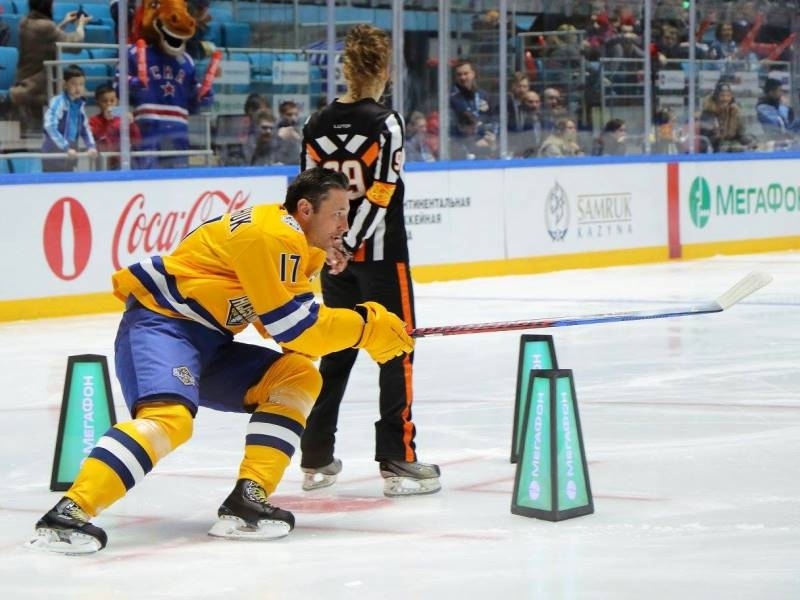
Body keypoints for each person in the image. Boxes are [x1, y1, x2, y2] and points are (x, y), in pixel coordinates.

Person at [28, 167, 415, 554]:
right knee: (169, 420)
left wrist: (353, 332)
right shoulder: (274, 235)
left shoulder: (295, 242)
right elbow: (295, 326)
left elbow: (289, 333)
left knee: (297, 376)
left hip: (210, 341)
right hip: (162, 327)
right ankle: (69, 513)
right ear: (305, 209)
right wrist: (366, 327)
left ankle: (248, 499)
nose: (345, 225)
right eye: (338, 213)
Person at [299, 24, 441, 497]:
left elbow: (306, 194)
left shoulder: (315, 123)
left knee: (336, 352)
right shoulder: (386, 123)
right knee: (396, 350)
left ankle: (316, 456)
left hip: (333, 260)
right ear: (383, 70)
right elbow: (382, 191)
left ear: (346, 68)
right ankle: (398, 457)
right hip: (381, 258)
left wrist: (328, 246)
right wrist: (352, 241)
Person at [9, 0, 90, 134]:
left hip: (24, 84)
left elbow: (47, 40)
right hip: (37, 88)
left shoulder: (25, 22)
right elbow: (74, 45)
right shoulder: (46, 27)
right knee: (37, 136)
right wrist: (80, 25)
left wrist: (64, 23)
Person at [41, 64, 97, 172]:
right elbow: (49, 126)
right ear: (65, 84)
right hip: (53, 155)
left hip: (70, 155)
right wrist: (65, 147)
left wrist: (91, 146)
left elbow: (85, 129)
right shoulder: (58, 102)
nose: (78, 88)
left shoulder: (80, 105)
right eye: (73, 84)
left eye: (81, 84)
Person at [88, 83, 142, 170]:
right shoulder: (93, 121)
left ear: (116, 101)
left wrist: (131, 124)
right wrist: (107, 122)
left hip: (121, 163)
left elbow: (137, 141)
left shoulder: (123, 119)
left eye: (112, 100)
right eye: (104, 101)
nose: (109, 104)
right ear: (97, 102)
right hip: (102, 163)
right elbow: (97, 139)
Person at [448, 59, 494, 139]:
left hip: (483, 140)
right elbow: (451, 125)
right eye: (459, 74)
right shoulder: (451, 98)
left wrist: (488, 137)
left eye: (466, 73)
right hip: (461, 141)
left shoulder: (484, 95)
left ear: (473, 74)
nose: (462, 77)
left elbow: (492, 119)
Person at [274, 100, 302, 165]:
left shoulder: (300, 132)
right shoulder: (274, 131)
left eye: (296, 114)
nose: (293, 118)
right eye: (289, 114)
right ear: (281, 115)